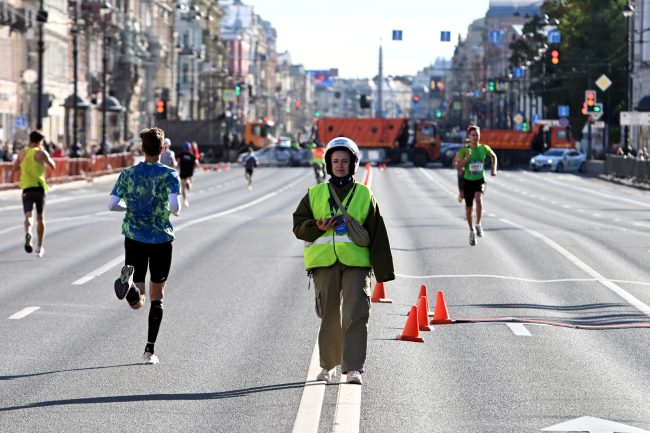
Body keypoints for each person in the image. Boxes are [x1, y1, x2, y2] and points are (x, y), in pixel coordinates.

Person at [292, 137, 394, 385]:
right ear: (328, 163)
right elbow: (298, 226)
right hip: (324, 263)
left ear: (353, 164)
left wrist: (383, 273)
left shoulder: (363, 194)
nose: (339, 165)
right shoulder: (314, 194)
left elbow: (378, 233)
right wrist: (315, 226)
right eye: (335, 161)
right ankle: (327, 366)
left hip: (356, 264)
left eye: (344, 161)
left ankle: (354, 368)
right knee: (327, 315)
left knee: (355, 313)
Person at [108, 127, 181, 365]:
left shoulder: (128, 174)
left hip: (134, 237)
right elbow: (175, 208)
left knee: (138, 301)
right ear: (162, 149)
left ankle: (129, 287)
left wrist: (129, 208)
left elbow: (112, 205)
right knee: (157, 297)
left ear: (142, 148)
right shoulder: (169, 175)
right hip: (160, 239)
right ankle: (149, 351)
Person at [13, 130, 56, 257]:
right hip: (39, 187)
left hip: (26, 187)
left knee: (28, 215)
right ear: (40, 141)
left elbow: (14, 168)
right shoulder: (41, 153)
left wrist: (25, 166)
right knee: (40, 217)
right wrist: (43, 159)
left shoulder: (22, 153)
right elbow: (52, 166)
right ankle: (39, 247)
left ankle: (29, 233)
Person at [455, 125, 497, 246]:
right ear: (469, 137)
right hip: (468, 181)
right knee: (468, 209)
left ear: (480, 136)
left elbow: (493, 156)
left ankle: (478, 224)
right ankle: (471, 230)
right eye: (473, 135)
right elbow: (458, 167)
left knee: (478, 198)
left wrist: (494, 169)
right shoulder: (464, 150)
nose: (475, 137)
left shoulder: (484, 148)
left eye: (477, 135)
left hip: (480, 180)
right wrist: (466, 158)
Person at [178, 141, 197, 207]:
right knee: (189, 187)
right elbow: (197, 163)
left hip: (183, 172)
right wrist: (194, 168)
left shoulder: (181, 154)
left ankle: (185, 200)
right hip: (190, 173)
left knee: (183, 188)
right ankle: (188, 182)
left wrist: (179, 166)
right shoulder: (192, 155)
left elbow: (178, 163)